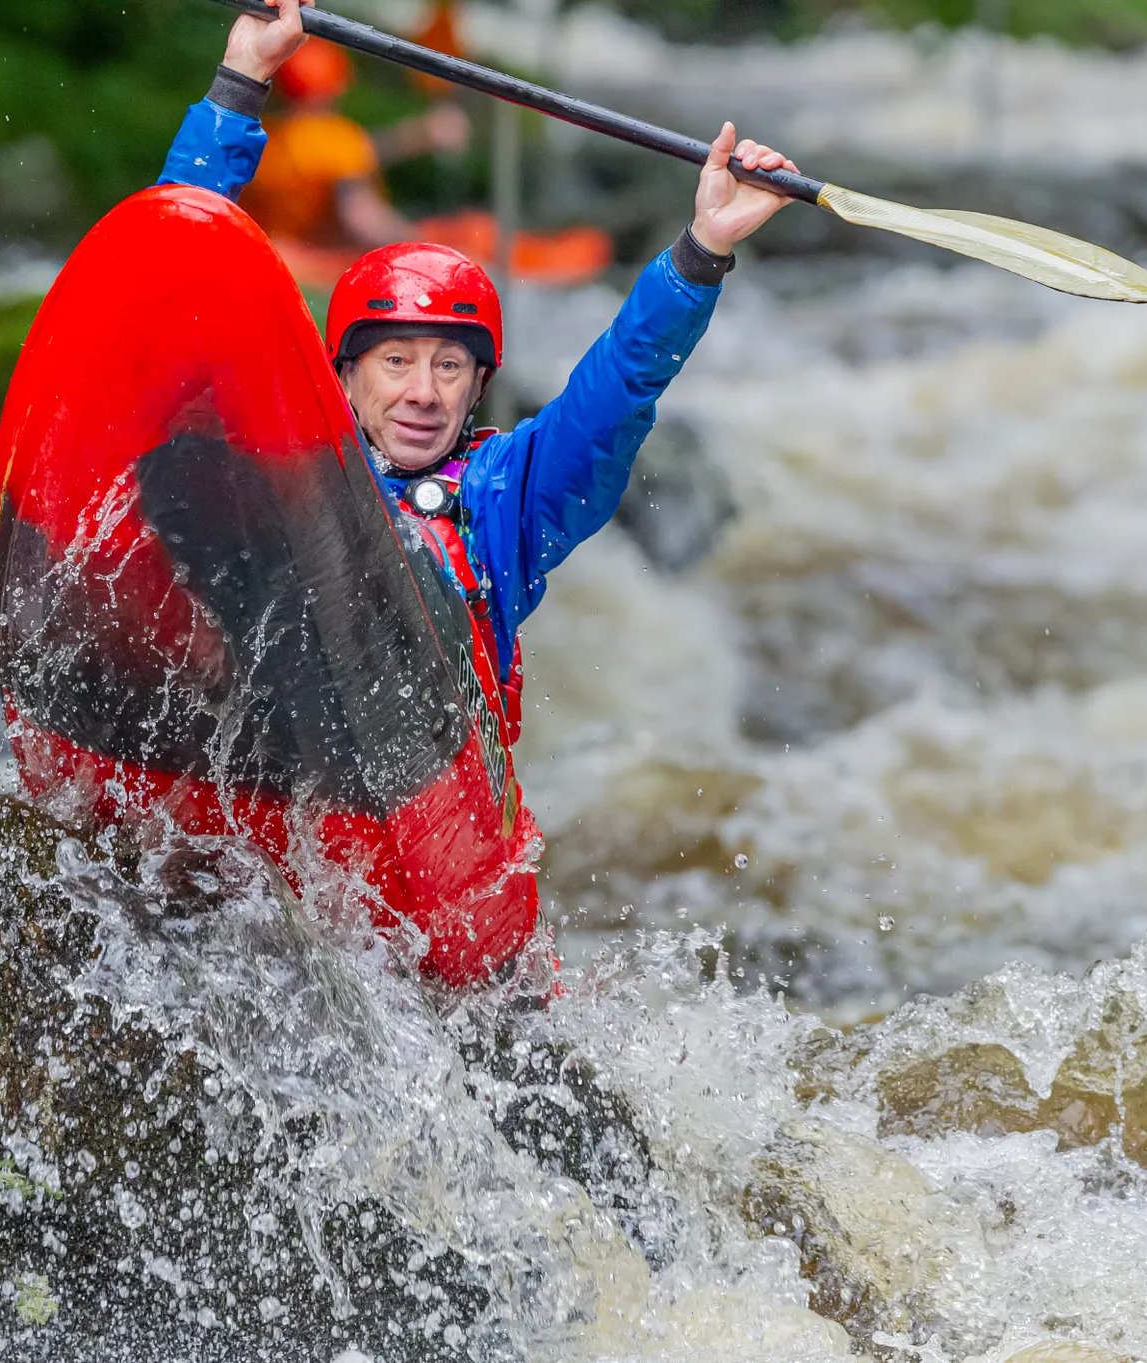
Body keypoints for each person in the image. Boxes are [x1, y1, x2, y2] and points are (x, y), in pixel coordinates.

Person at [157, 0, 798, 980]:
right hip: (283, 787)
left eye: (449, 367)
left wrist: (701, 250)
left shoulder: (506, 499)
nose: (422, 391)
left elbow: (616, 388)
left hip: (446, 870)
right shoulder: (281, 468)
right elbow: (183, 280)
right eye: (396, 361)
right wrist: (240, 80)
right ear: (342, 375)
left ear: (477, 387)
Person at [241, 35, 472, 250]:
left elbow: (363, 150)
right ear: (338, 85)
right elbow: (360, 215)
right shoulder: (333, 139)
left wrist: (421, 134)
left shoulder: (264, 135)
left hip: (271, 249)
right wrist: (421, 247)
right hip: (319, 260)